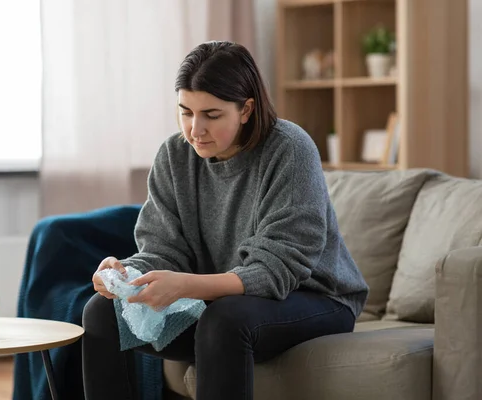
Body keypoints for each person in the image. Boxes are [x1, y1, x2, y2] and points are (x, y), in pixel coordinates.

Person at [81, 40, 369, 400]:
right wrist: (128, 272)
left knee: (225, 320)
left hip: (316, 298)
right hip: (225, 301)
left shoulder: (290, 149)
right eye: (186, 112)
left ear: (246, 109)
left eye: (211, 115)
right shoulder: (175, 155)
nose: (195, 129)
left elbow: (277, 270)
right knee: (103, 312)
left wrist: (187, 286)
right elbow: (163, 249)